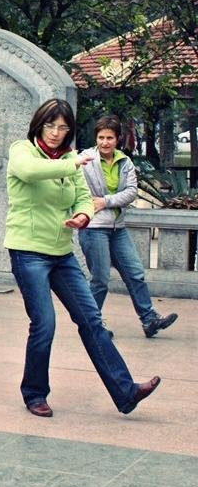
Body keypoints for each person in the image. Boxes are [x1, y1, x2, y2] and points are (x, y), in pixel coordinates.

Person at [4, 99, 161, 417]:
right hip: (28, 251)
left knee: (92, 320)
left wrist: (81, 215)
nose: (56, 133)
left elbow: (83, 199)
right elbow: (30, 172)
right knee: (44, 324)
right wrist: (73, 163)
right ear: (39, 124)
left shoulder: (71, 161)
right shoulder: (23, 150)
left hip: (62, 253)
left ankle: (126, 392)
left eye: (63, 127)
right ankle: (34, 393)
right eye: (50, 125)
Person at [77, 115, 178, 338]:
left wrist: (105, 201)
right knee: (100, 279)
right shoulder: (85, 159)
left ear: (118, 139)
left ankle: (149, 319)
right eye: (101, 137)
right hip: (93, 227)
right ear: (96, 138)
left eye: (110, 138)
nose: (105, 142)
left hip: (117, 227)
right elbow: (78, 190)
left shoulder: (125, 161)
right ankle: (92, 326)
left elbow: (131, 192)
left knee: (135, 273)